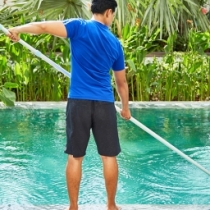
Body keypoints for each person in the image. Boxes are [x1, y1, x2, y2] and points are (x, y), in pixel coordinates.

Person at [7, 0, 131, 209]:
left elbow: (44, 27)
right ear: (109, 12)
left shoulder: (78, 27)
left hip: (79, 103)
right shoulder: (115, 43)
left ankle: (73, 207)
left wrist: (17, 29)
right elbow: (122, 83)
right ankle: (111, 205)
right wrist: (126, 108)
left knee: (76, 157)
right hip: (104, 104)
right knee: (109, 157)